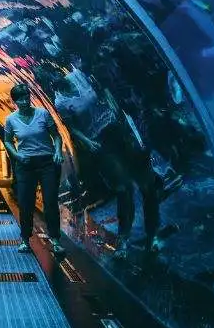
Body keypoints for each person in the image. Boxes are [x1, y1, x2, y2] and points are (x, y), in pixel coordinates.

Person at [54, 67, 163, 254]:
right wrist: (87, 142)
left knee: (148, 186)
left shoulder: (78, 75)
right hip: (99, 141)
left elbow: (104, 90)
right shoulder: (61, 101)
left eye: (54, 76)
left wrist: (122, 116)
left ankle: (153, 234)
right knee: (123, 187)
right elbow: (71, 127)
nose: (56, 80)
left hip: (117, 130)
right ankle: (123, 237)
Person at [2, 83, 65, 257]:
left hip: (47, 162)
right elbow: (7, 140)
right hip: (25, 164)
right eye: (20, 99)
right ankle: (25, 239)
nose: (24, 101)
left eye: (26, 97)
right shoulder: (11, 119)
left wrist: (58, 151)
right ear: (15, 101)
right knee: (25, 203)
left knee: (50, 201)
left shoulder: (43, 114)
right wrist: (16, 155)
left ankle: (55, 239)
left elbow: (56, 136)